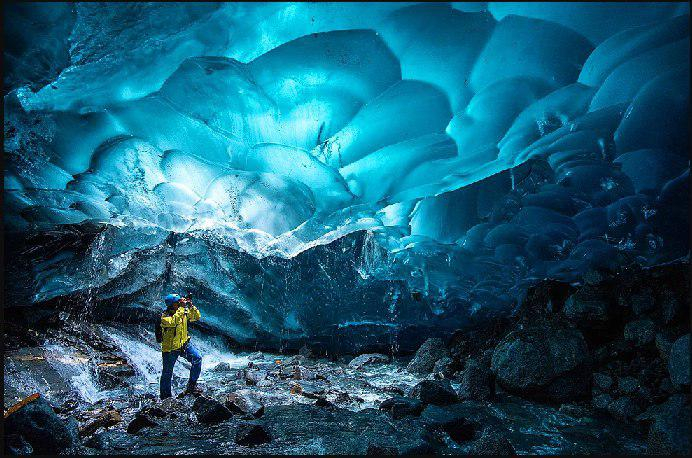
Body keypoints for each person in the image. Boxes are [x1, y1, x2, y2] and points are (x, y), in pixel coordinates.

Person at [159, 293, 203, 399]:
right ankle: (165, 397)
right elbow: (174, 321)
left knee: (197, 359)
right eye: (177, 302)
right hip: (170, 349)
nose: (180, 303)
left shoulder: (182, 312)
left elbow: (196, 317)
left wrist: (191, 306)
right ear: (172, 305)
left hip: (184, 345)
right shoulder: (165, 317)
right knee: (167, 372)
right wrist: (182, 308)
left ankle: (191, 386)